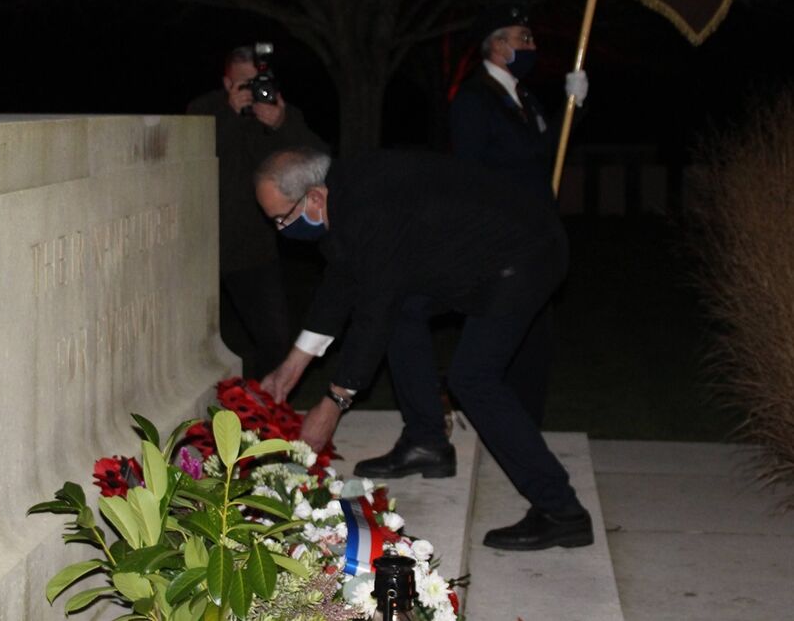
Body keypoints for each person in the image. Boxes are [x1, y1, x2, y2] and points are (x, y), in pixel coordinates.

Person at [256, 147, 593, 551]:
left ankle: (562, 510)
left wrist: (334, 402)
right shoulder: (343, 195)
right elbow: (341, 283)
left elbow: (373, 311)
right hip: (475, 251)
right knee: (404, 312)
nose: (280, 230)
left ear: (313, 197)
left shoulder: (370, 209)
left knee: (473, 379)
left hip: (523, 253)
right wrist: (292, 366)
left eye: (281, 218)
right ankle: (426, 442)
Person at [449, 1, 588, 427]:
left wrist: (573, 109)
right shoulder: (474, 101)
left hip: (537, 238)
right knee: (499, 347)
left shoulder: (523, 96)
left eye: (531, 38)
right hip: (505, 244)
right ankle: (502, 426)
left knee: (537, 345)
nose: (531, 46)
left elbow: (545, 154)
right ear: (496, 47)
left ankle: (526, 429)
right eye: (522, 38)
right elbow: (470, 176)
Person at [188, 46, 326, 377]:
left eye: (257, 81)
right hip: (200, 248)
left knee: (275, 339)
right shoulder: (204, 110)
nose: (252, 91)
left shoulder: (280, 112)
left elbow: (318, 162)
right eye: (242, 84)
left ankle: (263, 412)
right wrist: (229, 116)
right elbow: (192, 162)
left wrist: (282, 124)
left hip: (253, 250)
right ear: (226, 82)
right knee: (193, 344)